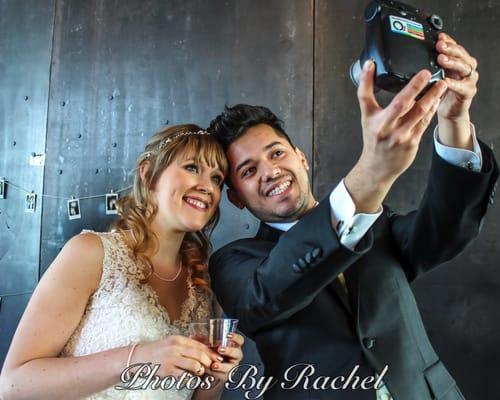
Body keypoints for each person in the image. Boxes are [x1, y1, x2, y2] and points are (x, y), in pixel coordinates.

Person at [207, 33, 498, 399]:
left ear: (301, 158)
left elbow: (447, 227)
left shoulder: (380, 224)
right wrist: (372, 172)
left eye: (277, 153)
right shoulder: (233, 263)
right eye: (248, 171)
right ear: (235, 198)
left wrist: (455, 120)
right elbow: (268, 294)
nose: (270, 172)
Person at [0, 124, 245, 399]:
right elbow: (13, 385)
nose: (207, 187)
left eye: (216, 179)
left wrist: (216, 376)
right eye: (191, 167)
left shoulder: (204, 287)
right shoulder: (91, 254)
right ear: (149, 175)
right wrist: (137, 359)